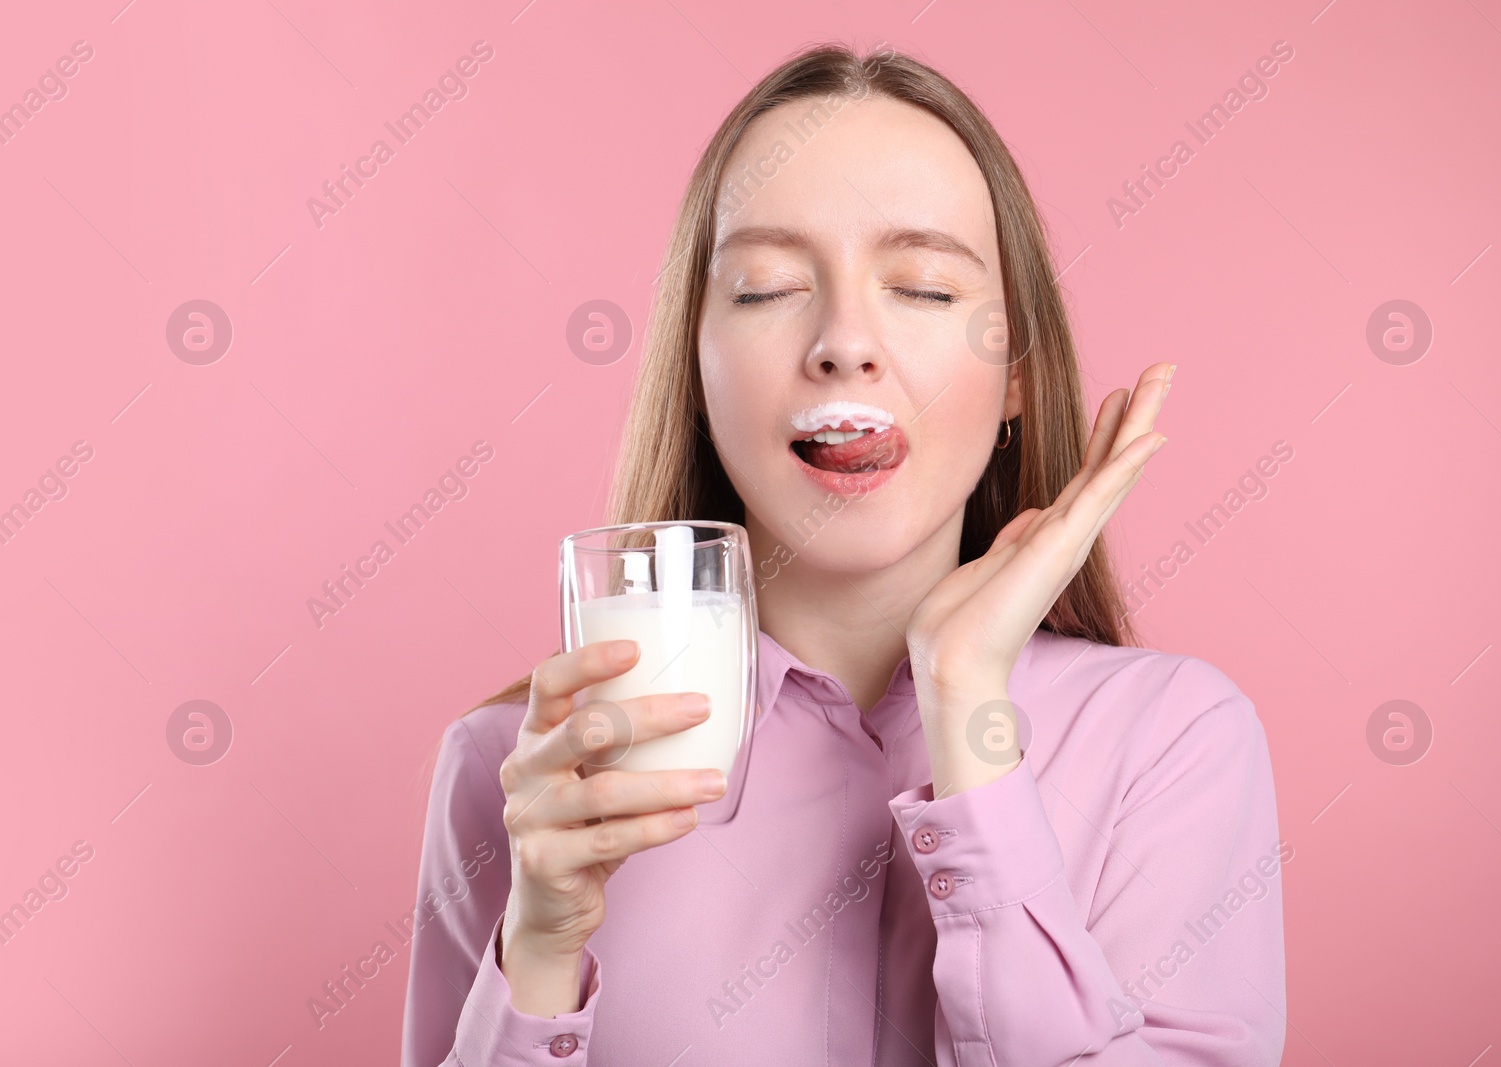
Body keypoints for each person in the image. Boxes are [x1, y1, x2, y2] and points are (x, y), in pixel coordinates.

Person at [401, 42, 1285, 1067]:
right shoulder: (518, 773)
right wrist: (541, 949)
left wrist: (967, 707)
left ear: (1016, 377)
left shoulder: (1171, 740)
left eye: (921, 288)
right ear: (694, 369)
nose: (844, 340)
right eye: (768, 287)